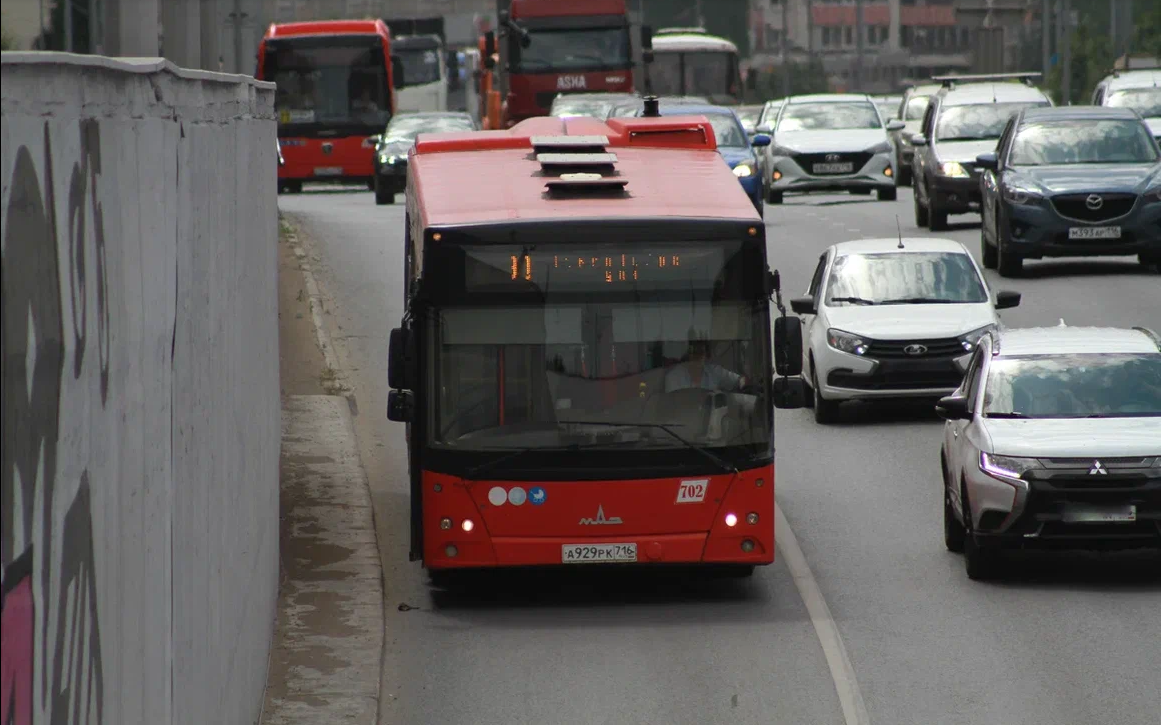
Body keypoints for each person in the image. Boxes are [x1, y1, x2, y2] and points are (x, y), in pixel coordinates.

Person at [664, 337, 747, 393]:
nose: (696, 356)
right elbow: (673, 406)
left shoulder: (714, 371)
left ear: (706, 355)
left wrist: (745, 384)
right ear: (688, 354)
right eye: (693, 352)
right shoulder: (673, 376)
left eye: (700, 352)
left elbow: (738, 381)